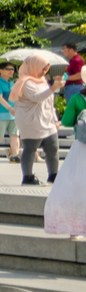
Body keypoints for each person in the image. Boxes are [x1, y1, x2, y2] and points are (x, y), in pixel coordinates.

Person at [9, 59, 61, 186]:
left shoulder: (43, 82)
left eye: (46, 69)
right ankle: (27, 176)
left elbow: (49, 102)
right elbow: (37, 97)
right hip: (31, 121)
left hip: (47, 120)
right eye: (42, 68)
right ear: (33, 67)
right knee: (30, 149)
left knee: (53, 148)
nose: (44, 72)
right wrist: (54, 87)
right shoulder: (25, 82)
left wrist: (55, 119)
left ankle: (53, 175)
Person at [46, 90, 86, 236]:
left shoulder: (77, 98)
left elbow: (67, 121)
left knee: (78, 185)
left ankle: (76, 229)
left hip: (82, 146)